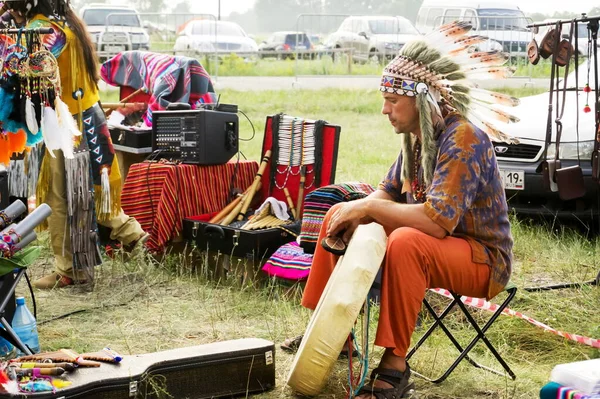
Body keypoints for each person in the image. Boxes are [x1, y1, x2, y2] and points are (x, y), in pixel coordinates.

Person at [286, 24, 518, 399]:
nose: (384, 109)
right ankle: (329, 332)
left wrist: (370, 207)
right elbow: (388, 191)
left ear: (422, 98)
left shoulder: (464, 138)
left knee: (407, 242)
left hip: (481, 259)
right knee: (339, 213)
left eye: (393, 99)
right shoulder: (416, 137)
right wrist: (357, 210)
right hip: (437, 245)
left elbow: (437, 223)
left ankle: (395, 364)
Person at [4, 0, 149, 289]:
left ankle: (69, 268)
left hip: (68, 125)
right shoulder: (67, 23)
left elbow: (21, 71)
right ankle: (134, 238)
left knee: (60, 198)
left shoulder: (41, 29)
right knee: (90, 192)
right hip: (85, 117)